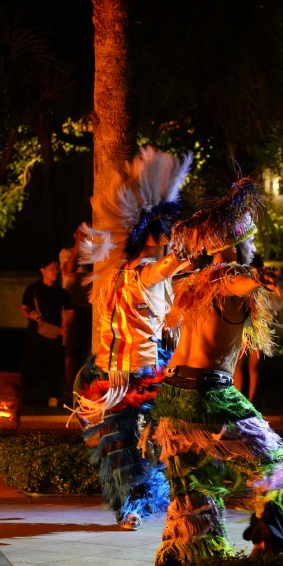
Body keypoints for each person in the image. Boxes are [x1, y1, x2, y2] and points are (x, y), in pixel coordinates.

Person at [141, 179, 283, 566]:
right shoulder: (227, 279)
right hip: (208, 395)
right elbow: (237, 280)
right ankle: (268, 542)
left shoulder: (191, 284)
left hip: (172, 399)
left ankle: (181, 555)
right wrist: (259, 280)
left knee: (192, 481)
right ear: (236, 247)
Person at [74, 146, 194, 530]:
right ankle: (142, 503)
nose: (170, 237)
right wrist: (186, 254)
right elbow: (162, 271)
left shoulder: (121, 273)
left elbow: (166, 306)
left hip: (121, 371)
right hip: (129, 375)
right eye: (167, 232)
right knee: (137, 443)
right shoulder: (142, 272)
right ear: (152, 233)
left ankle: (141, 504)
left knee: (128, 445)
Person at [20, 256, 74, 407]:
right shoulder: (33, 288)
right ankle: (26, 395)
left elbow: (70, 311)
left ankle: (53, 396)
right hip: (35, 331)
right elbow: (23, 309)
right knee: (30, 363)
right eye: (51, 269)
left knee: (54, 364)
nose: (55, 272)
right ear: (42, 270)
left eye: (56, 269)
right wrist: (30, 315)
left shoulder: (60, 291)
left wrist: (65, 326)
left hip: (54, 332)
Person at [59, 223, 92, 398]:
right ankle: (68, 389)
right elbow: (68, 268)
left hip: (89, 307)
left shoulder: (94, 256)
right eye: (81, 233)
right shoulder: (66, 253)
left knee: (88, 350)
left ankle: (86, 388)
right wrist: (79, 244)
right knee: (71, 350)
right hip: (72, 307)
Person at [233, 252, 264, 403]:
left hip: (257, 327)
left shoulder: (262, 286)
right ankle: (238, 398)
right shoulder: (241, 283)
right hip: (242, 326)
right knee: (238, 364)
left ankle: (252, 400)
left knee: (254, 365)